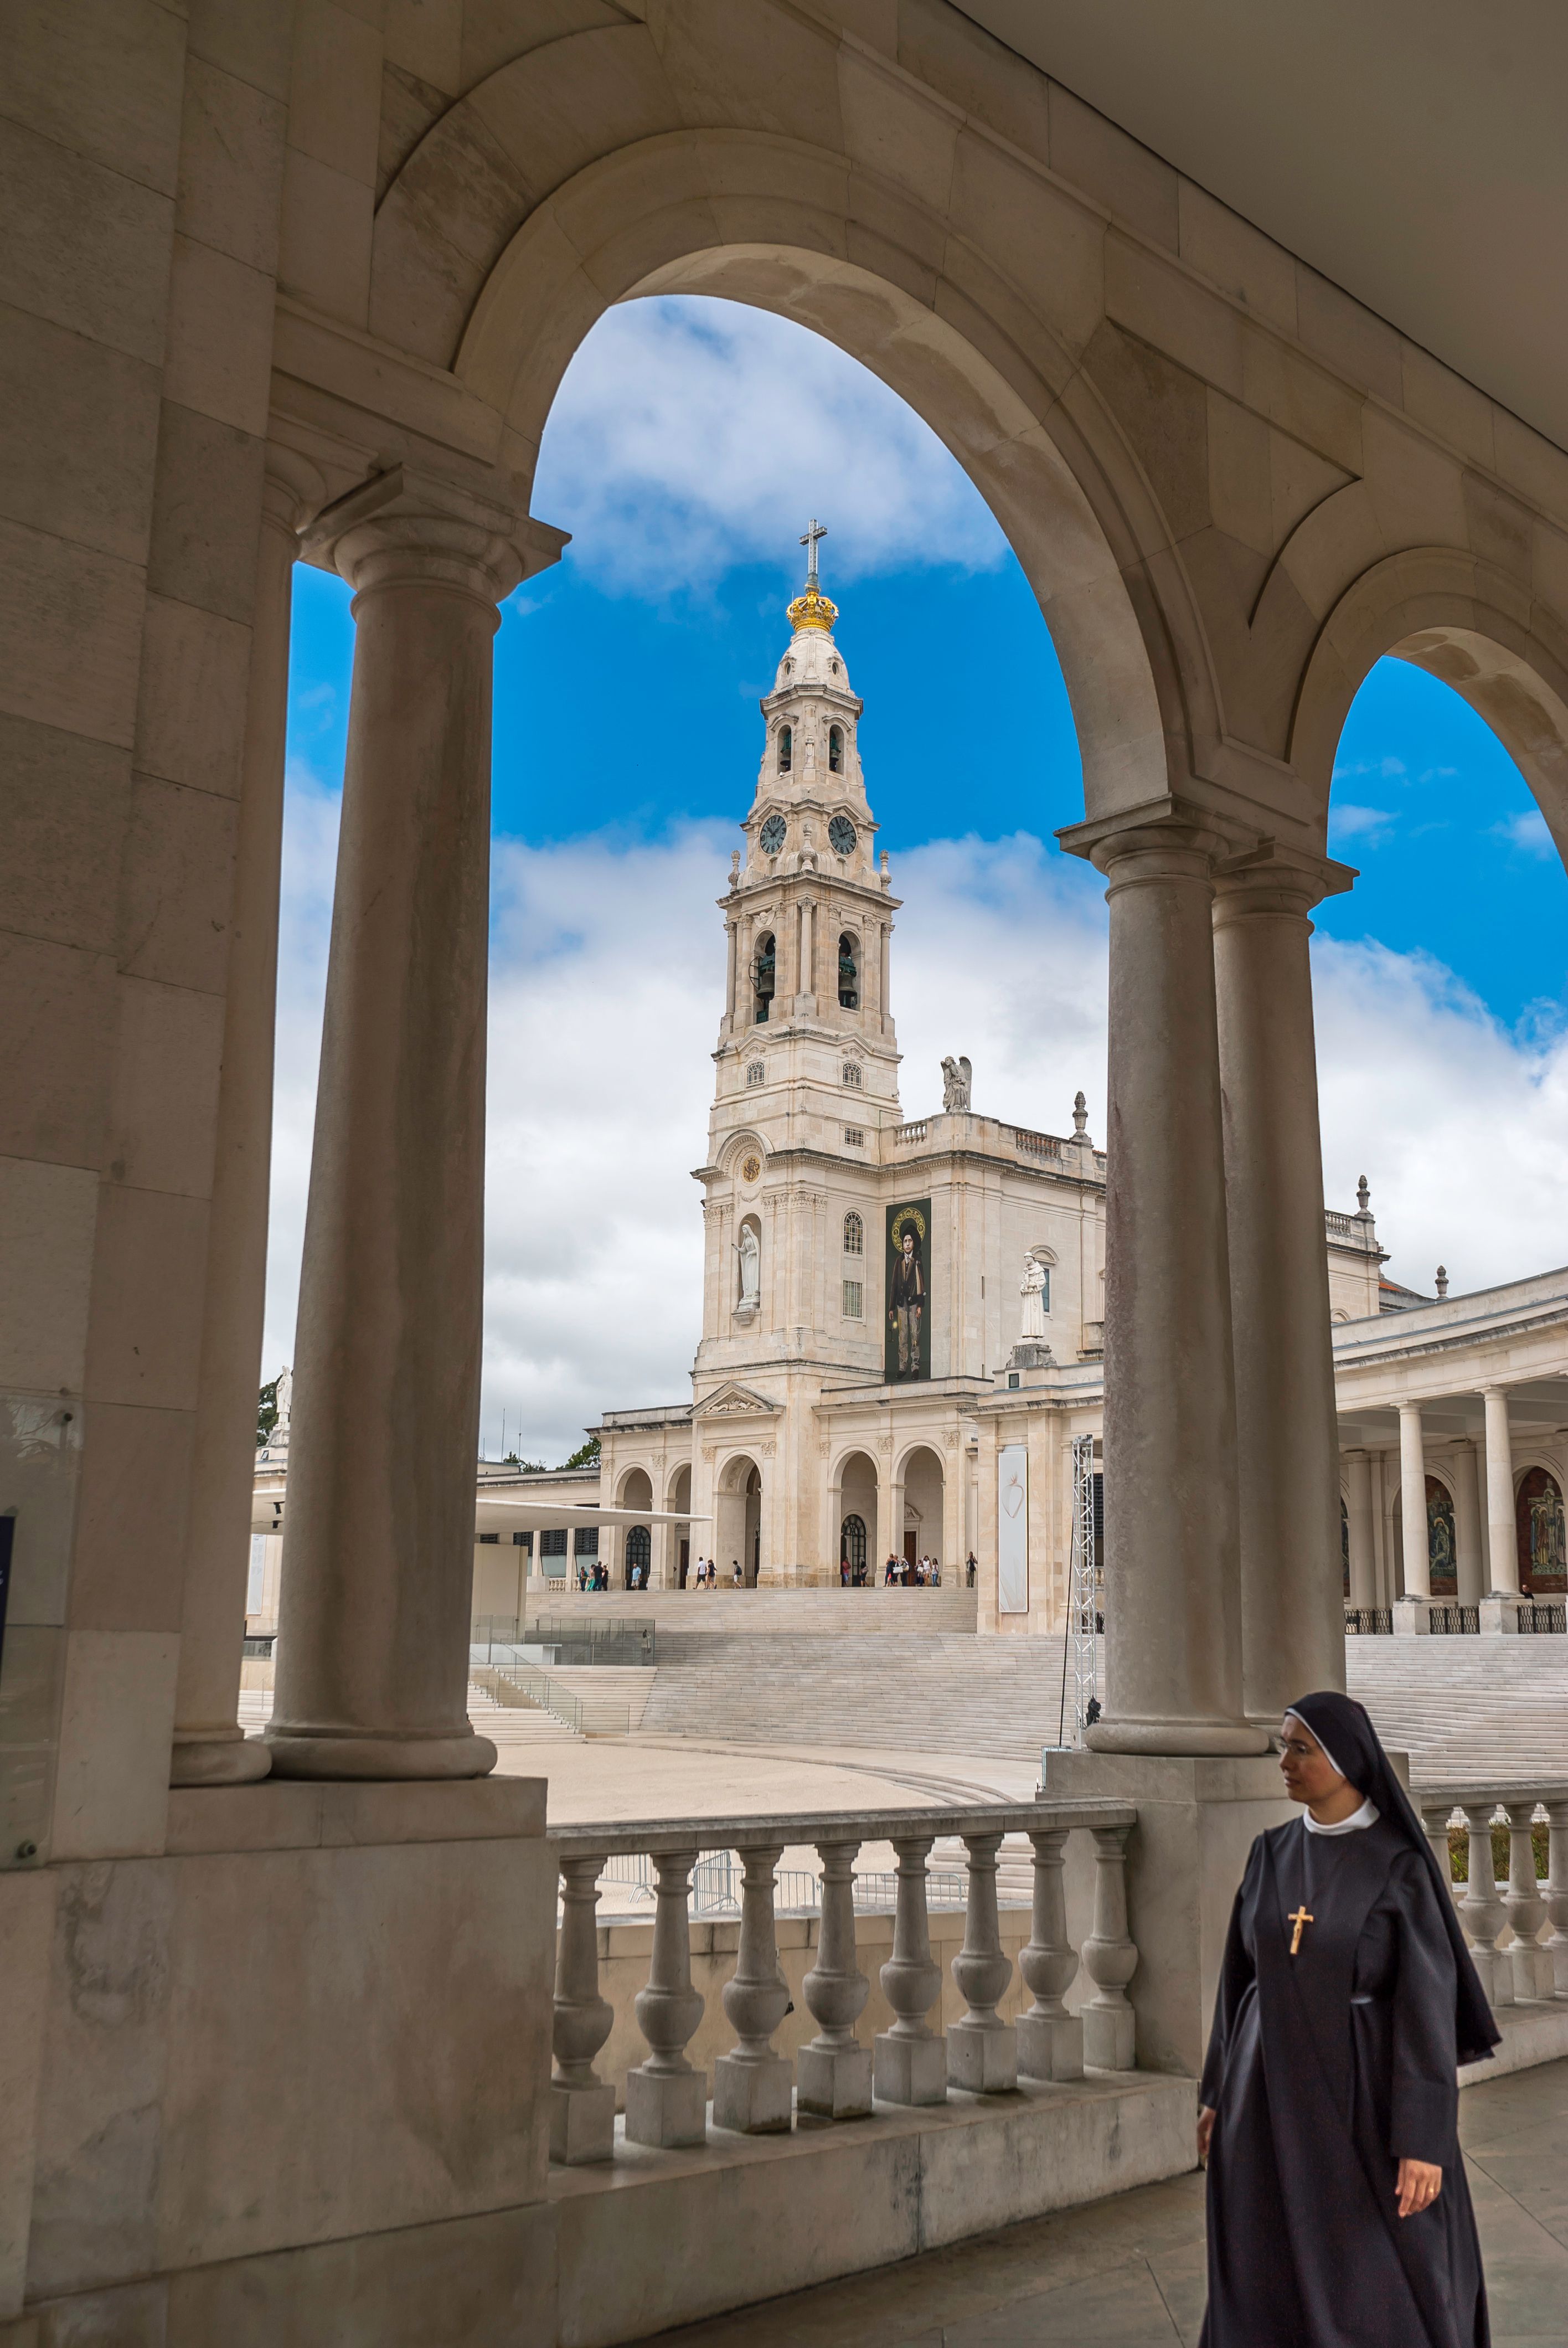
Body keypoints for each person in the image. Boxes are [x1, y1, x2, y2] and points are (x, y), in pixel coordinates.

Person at [1198, 1690, 1497, 2348]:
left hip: (1364, 2106)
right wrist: (1218, 2093)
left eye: (1301, 1748)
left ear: (1345, 1760)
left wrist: (1423, 2139)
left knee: (1376, 2272)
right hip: (1264, 2101)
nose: (1286, 1760)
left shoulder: (1399, 1867)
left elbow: (1426, 2012)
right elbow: (1237, 1982)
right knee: (1263, 2262)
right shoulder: (1269, 1853)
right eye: (1285, 1745)